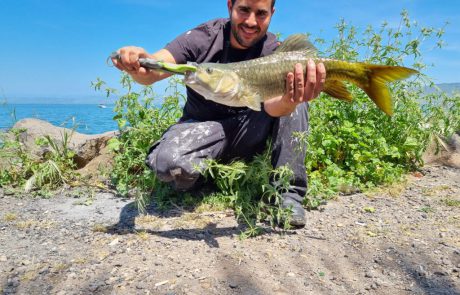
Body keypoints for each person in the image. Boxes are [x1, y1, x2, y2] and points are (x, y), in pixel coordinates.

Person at [112, 0, 326, 227]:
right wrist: (139, 61)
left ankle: (288, 194)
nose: (251, 21)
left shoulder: (274, 51)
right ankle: (209, 180)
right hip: (205, 130)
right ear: (230, 6)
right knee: (166, 162)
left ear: (272, 13)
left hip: (249, 130)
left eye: (261, 14)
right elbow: (153, 70)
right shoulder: (201, 37)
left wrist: (288, 101)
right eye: (244, 10)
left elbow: (274, 108)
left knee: (297, 101)